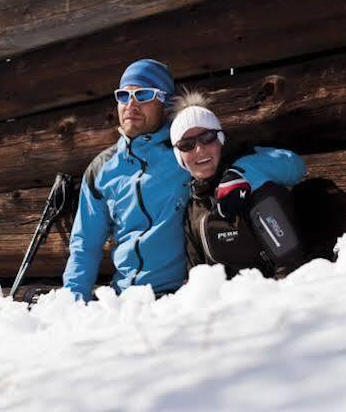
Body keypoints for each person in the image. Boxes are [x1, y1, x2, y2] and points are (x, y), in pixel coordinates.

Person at [62, 60, 304, 301]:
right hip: (124, 298)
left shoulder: (188, 148)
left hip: (178, 297)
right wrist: (73, 299)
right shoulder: (102, 169)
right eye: (123, 96)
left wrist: (240, 174)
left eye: (143, 95)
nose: (131, 104)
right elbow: (85, 243)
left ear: (165, 102)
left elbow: (291, 164)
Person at [171, 92, 308, 278]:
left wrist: (243, 173)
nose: (199, 149)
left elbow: (296, 166)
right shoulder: (194, 208)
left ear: (220, 140)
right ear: (180, 157)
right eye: (187, 144)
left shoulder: (250, 168)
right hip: (231, 294)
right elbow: (197, 278)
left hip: (281, 287)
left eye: (207, 137)